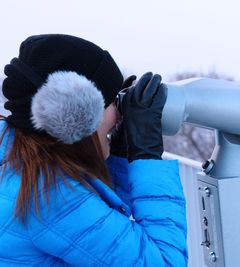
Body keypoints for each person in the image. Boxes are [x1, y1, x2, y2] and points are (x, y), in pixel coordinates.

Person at [0, 34, 188, 266]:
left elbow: (98, 223)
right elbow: (165, 262)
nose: (119, 113)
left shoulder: (21, 162)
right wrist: (146, 154)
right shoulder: (52, 197)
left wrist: (121, 155)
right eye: (112, 101)